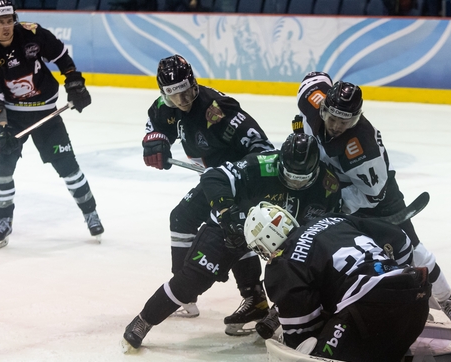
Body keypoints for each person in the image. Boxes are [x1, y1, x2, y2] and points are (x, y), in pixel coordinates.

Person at [122, 133, 341, 349]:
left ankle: (276, 310)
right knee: (192, 281)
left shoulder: (328, 186)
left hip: (287, 238)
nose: (293, 182)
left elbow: (328, 232)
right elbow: (213, 176)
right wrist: (228, 213)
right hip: (235, 225)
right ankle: (143, 321)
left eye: (300, 179)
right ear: (281, 163)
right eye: (289, 175)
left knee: (308, 271)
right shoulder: (262, 164)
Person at [294, 72, 451, 324]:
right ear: (323, 108)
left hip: (377, 195)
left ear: (355, 119)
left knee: (413, 249)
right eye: (332, 119)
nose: (336, 127)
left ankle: (445, 298)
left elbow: (373, 196)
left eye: (344, 123)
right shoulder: (313, 100)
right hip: (332, 186)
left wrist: (336, 205)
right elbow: (314, 78)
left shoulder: (362, 147)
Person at [141, 54, 276, 328]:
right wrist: (156, 143)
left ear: (193, 82)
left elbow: (264, 149)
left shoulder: (219, 110)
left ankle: (252, 297)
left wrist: (241, 175)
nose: (181, 100)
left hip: (241, 180)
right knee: (182, 218)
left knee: (233, 227)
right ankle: (185, 296)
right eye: (172, 94)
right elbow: (156, 127)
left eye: (184, 91)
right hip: (216, 180)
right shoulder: (164, 105)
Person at [0, 0, 102, 250]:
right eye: (0, 22)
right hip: (12, 117)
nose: (6, 27)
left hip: (47, 115)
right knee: (1, 166)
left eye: (9, 21)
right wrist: (1, 125)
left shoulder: (31, 34)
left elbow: (61, 55)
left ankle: (90, 213)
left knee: (68, 166)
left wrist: (74, 82)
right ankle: (4, 220)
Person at [243, 201, 430, 362]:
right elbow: (401, 239)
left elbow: (301, 334)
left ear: (266, 238)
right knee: (381, 355)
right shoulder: (333, 219)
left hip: (369, 314)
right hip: (417, 296)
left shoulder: (283, 261)